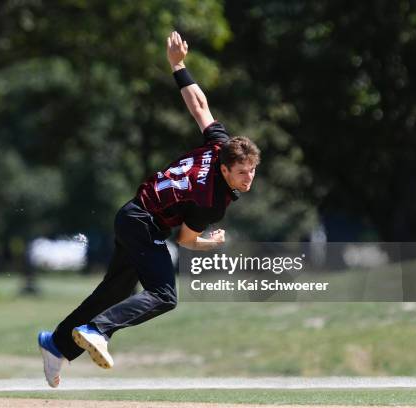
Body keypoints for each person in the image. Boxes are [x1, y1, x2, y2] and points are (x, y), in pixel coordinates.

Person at [38, 31, 261, 387]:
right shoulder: (211, 201)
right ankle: (98, 329)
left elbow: (200, 106)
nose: (248, 179)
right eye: (241, 173)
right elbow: (187, 241)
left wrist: (179, 66)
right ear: (224, 169)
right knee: (164, 295)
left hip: (131, 214)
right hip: (143, 225)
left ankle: (56, 344)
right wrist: (212, 243)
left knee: (114, 292)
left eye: (252, 171)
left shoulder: (221, 146)